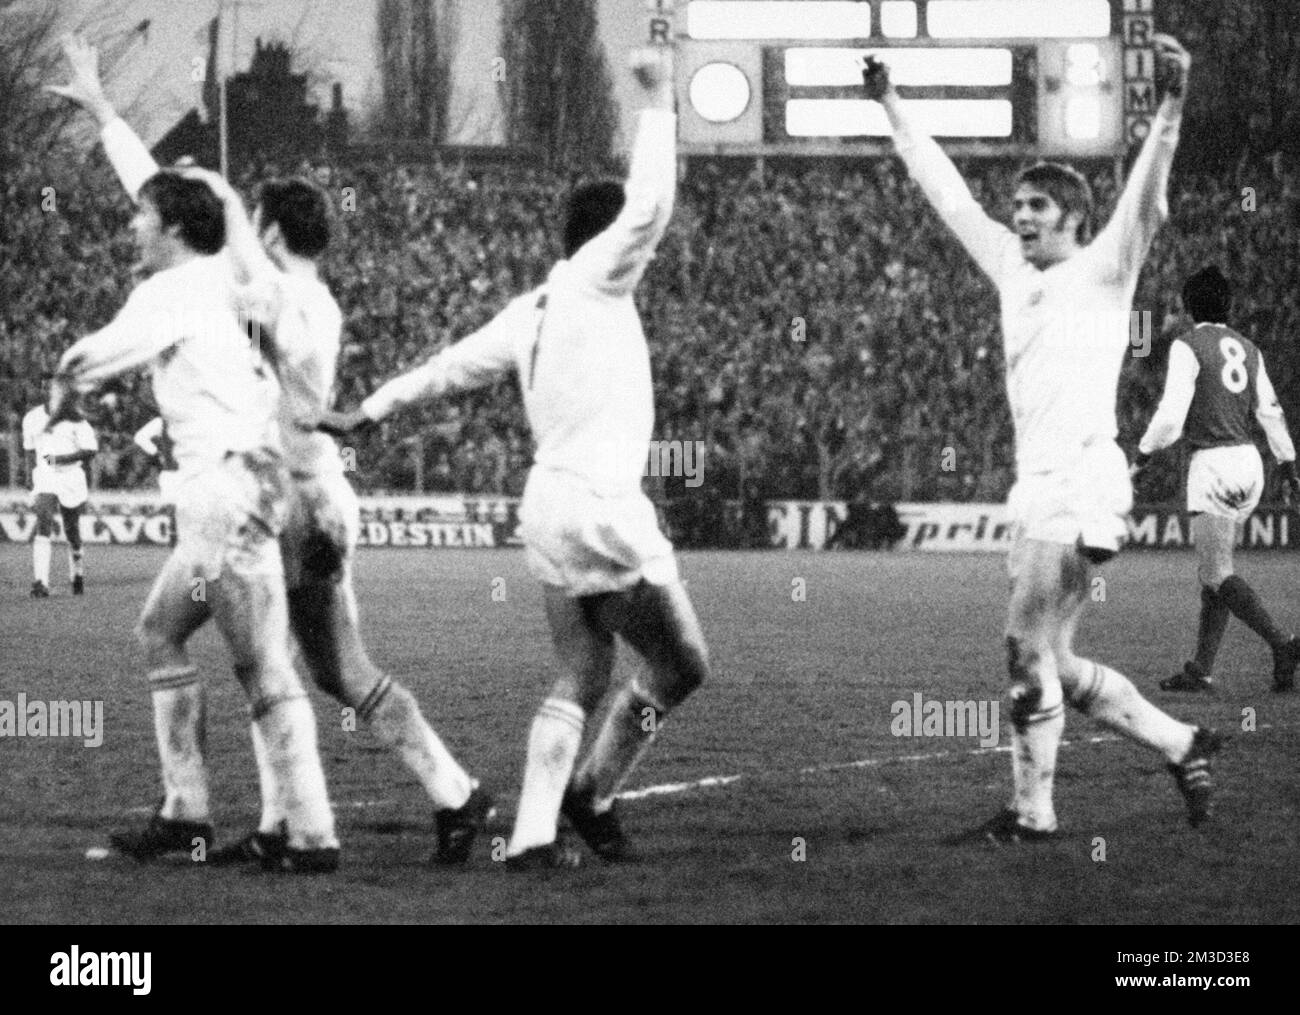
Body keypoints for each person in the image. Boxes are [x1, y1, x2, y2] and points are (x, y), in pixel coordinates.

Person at [52, 34, 490, 868]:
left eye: (252, 222)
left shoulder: (277, 296)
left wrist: (176, 174)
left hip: (291, 496)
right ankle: (312, 815)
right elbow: (174, 213)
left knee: (305, 667)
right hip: (296, 493)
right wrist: (111, 119)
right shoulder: (294, 295)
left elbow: (190, 230)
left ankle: (384, 807)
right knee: (304, 664)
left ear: (272, 230)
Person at [321, 49, 710, 869]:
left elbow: (450, 366)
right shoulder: (600, 279)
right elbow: (652, 204)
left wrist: (374, 408)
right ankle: (592, 791)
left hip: (547, 504)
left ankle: (539, 833)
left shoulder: (534, 304)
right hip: (602, 504)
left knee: (582, 669)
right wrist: (659, 97)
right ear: (606, 241)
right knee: (680, 662)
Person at [862, 35, 1222, 840]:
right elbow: (945, 190)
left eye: (1037, 209)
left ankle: (1033, 813)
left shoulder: (1104, 269)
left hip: (1083, 483)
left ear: (1074, 221)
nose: (1020, 218)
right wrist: (891, 106)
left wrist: (1169, 105)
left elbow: (1148, 200)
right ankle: (1181, 740)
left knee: (1022, 647)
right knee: (1052, 662)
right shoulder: (1009, 267)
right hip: (1040, 488)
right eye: (1018, 207)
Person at [47, 84, 338, 875]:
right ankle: (188, 811)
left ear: (175, 229)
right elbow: (169, 193)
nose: (131, 223)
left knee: (262, 664)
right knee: (161, 629)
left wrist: (66, 379)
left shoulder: (172, 288)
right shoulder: (222, 279)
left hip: (226, 490)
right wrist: (107, 113)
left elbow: (94, 354)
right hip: (245, 487)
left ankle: (309, 831)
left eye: (143, 217)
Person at [1133, 265, 1300, 693]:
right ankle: (1201, 670)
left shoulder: (1187, 346)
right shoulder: (1249, 348)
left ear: (1189, 309)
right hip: (1250, 465)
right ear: (1228, 306)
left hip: (1213, 465)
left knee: (1216, 572)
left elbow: (1170, 417)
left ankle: (1281, 644)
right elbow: (1271, 411)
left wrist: (1143, 455)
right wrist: (1288, 467)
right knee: (1215, 574)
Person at [22, 377, 97, 597]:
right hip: (45, 475)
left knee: (71, 529)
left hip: (72, 476)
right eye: (44, 387)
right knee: (43, 518)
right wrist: (29, 474)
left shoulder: (76, 418)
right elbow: (29, 448)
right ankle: (40, 583)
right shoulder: (32, 418)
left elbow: (91, 450)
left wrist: (62, 458)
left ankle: (77, 572)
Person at [133, 416, 179, 548]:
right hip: (171, 471)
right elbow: (140, 437)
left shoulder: (195, 420)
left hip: (191, 471)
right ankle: (174, 542)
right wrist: (156, 453)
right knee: (173, 508)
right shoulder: (162, 421)